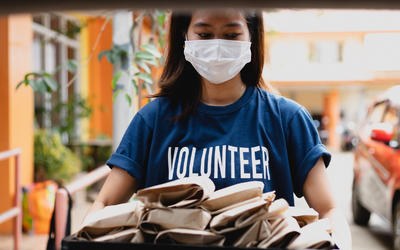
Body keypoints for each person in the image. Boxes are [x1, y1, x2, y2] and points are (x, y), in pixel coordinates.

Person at [85, 9, 352, 249]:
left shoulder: (288, 119)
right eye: (204, 34)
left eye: (231, 34)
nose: (217, 45)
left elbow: (329, 210)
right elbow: (105, 204)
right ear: (184, 35)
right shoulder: (152, 121)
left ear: (251, 37)